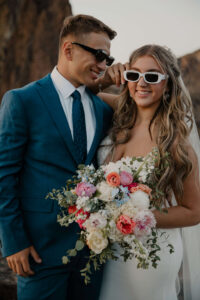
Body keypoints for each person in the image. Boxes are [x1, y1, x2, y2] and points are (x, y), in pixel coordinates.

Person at [0, 14, 116, 300]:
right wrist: (13, 244)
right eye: (99, 55)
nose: (103, 65)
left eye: (108, 60)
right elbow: (4, 175)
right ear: (68, 49)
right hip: (39, 253)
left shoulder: (102, 110)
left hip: (91, 253)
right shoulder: (22, 100)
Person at [95, 44, 200, 300]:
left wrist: (137, 218)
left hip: (152, 254)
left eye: (152, 76)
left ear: (168, 85)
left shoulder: (176, 143)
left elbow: (194, 211)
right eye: (134, 75)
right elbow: (81, 94)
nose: (141, 83)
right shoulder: (119, 112)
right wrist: (105, 79)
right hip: (110, 250)